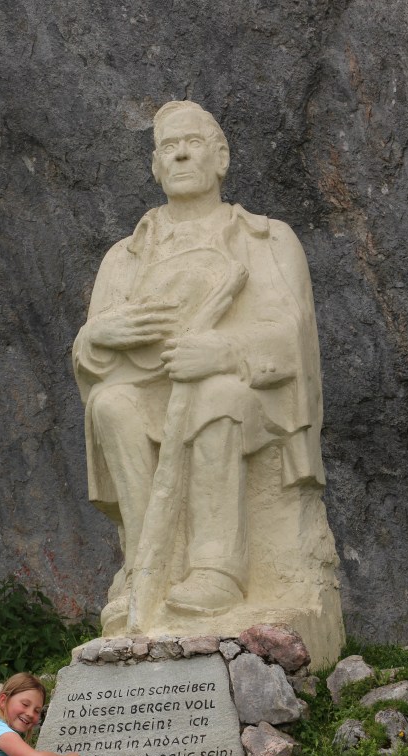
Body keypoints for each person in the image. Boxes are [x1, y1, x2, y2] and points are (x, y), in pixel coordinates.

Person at [73, 100, 327, 635]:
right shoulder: (124, 256)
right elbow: (92, 357)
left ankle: (217, 568)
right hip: (151, 392)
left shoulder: (266, 239)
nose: (182, 154)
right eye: (169, 146)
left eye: (193, 143)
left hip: (247, 400)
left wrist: (225, 353)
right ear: (155, 165)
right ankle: (146, 567)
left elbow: (292, 335)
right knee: (111, 404)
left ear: (221, 158)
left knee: (217, 395)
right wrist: (96, 337)